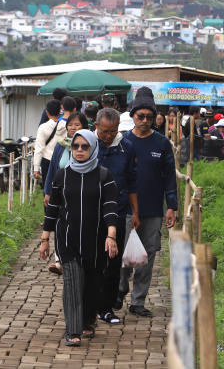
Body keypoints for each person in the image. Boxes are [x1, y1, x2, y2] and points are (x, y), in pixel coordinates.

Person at [39, 130, 119, 346]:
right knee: (72, 282)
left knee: (93, 281)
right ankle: (72, 330)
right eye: (76, 146)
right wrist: (45, 239)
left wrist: (111, 235)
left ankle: (87, 320)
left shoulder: (104, 175)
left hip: (96, 239)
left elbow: (111, 208)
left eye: (85, 146)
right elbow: (53, 208)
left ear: (93, 148)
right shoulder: (61, 175)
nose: (80, 150)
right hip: (68, 238)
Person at [119, 87, 178, 318]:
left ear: (155, 119)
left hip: (153, 209)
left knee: (146, 256)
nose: (144, 120)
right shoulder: (123, 141)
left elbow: (169, 177)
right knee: (123, 255)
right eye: (140, 116)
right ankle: (119, 290)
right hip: (125, 210)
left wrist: (171, 206)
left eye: (149, 117)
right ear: (132, 116)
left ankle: (138, 301)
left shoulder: (161, 144)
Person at [93, 108, 139, 324]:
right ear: (96, 126)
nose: (109, 135)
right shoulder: (88, 144)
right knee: (92, 261)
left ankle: (106, 307)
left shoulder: (126, 147)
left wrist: (135, 211)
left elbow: (131, 180)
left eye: (113, 131)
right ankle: (88, 303)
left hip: (118, 211)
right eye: (104, 131)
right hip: (91, 211)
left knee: (113, 262)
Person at [43, 111, 90, 274]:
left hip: (82, 193)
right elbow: (52, 170)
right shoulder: (60, 144)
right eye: (70, 124)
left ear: (84, 126)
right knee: (59, 224)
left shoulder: (90, 144)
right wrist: (48, 192)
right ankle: (60, 260)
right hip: (60, 193)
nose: (73, 127)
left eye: (77, 124)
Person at [33, 99, 65, 187]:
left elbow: (39, 148)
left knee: (48, 188)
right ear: (59, 112)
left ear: (47, 112)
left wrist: (36, 168)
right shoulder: (65, 126)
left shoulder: (43, 128)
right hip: (62, 161)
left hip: (47, 161)